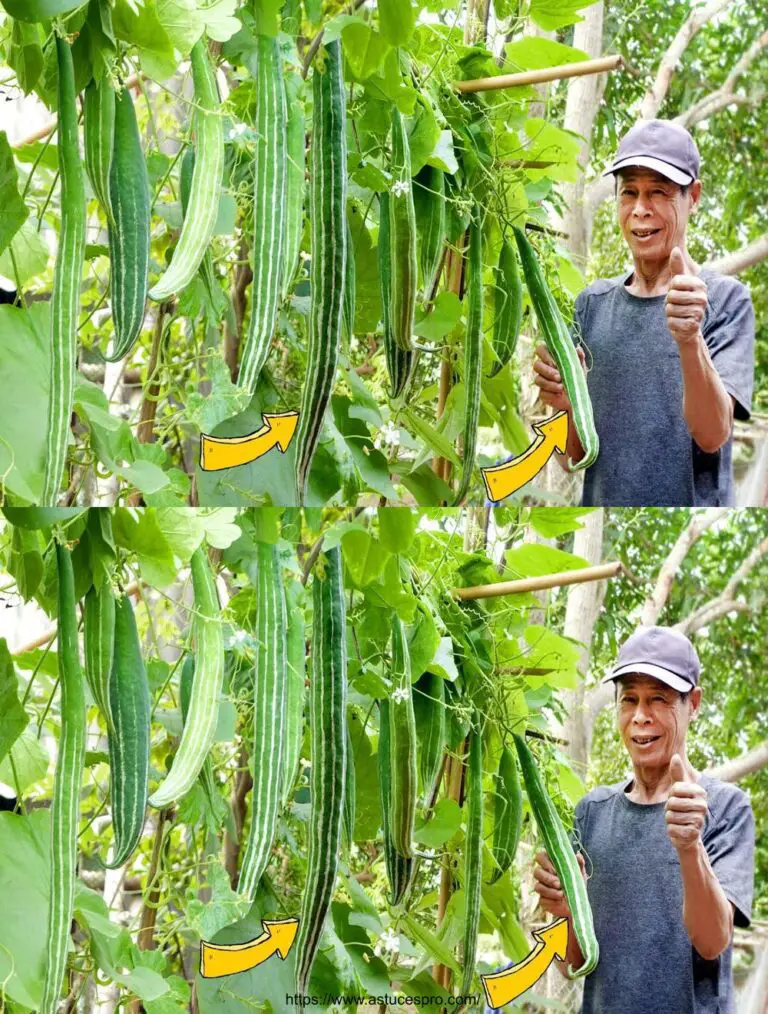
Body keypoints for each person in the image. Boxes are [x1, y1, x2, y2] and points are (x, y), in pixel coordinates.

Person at [533, 626, 755, 1014]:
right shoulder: (592, 812)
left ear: (694, 703)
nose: (640, 716)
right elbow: (574, 961)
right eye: (629, 699)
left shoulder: (725, 808)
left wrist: (690, 846)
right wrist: (567, 911)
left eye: (659, 699)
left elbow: (712, 940)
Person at [533, 119, 755, 507]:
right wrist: (566, 404)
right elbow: (575, 452)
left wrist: (690, 339)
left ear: (694, 196)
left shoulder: (725, 301)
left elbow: (712, 433)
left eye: (658, 192)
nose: (640, 210)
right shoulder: (592, 305)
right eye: (629, 192)